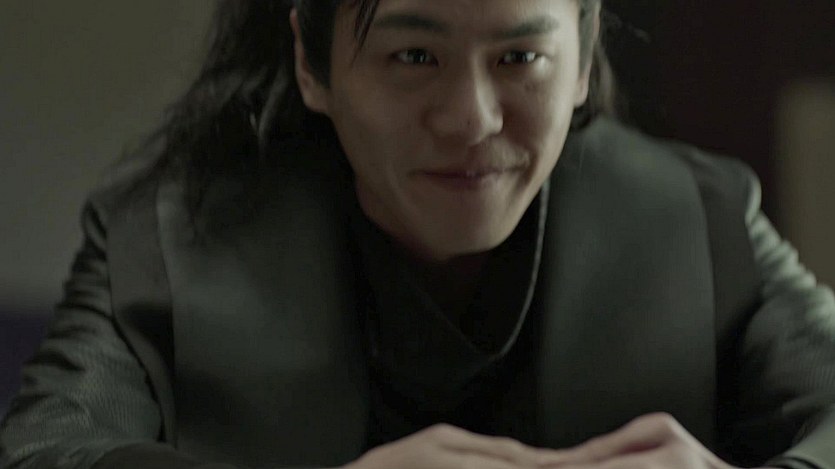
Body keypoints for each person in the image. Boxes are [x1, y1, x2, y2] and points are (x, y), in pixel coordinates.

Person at [1, 0, 834, 468]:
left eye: (519, 59)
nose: (470, 119)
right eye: (413, 57)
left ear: (581, 62)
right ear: (311, 64)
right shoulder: (165, 237)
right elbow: (42, 452)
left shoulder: (703, 215)